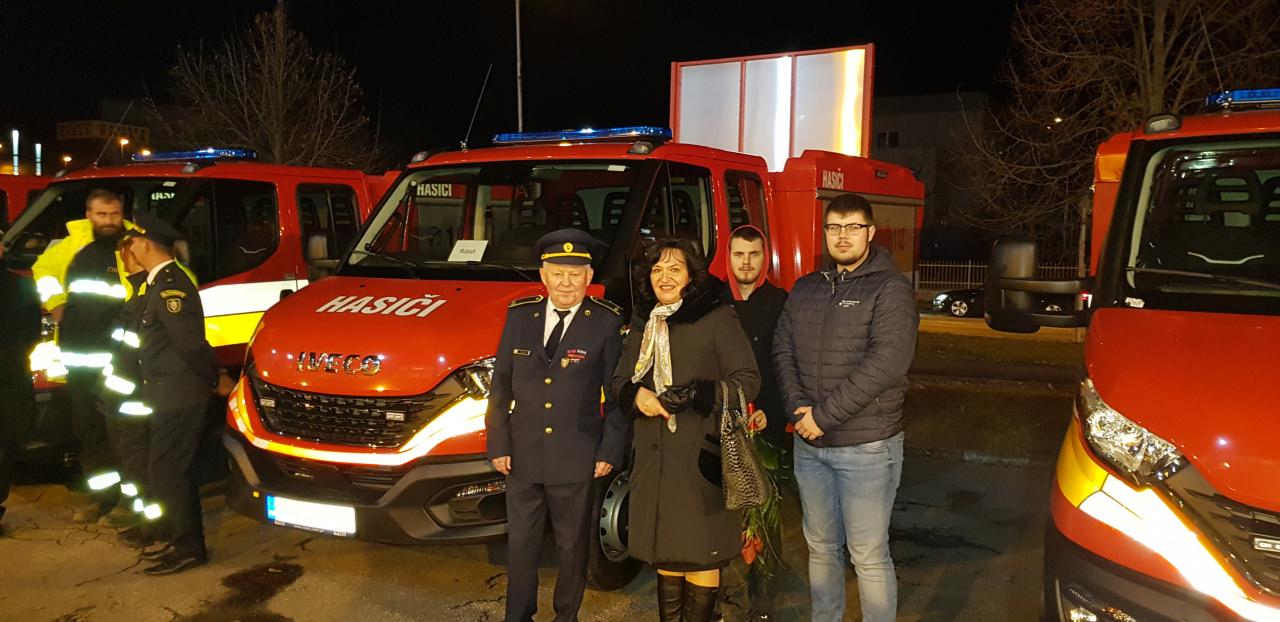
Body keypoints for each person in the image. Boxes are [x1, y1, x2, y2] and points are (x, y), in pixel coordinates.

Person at [772, 194, 919, 622]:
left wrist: (822, 417)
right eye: (834, 227)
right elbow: (783, 348)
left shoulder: (889, 289)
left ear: (870, 232)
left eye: (853, 227)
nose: (842, 236)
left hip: (867, 447)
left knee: (868, 554)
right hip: (810, 444)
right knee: (820, 547)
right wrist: (798, 409)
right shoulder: (807, 287)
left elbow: (887, 363)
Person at [611, 239, 764, 622]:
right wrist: (635, 395)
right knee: (666, 554)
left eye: (674, 269)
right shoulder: (645, 320)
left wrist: (699, 393)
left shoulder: (715, 316)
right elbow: (619, 380)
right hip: (654, 461)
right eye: (657, 269)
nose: (664, 277)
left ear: (691, 276)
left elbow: (748, 380)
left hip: (698, 456)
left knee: (699, 554)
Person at [484, 229, 628, 622]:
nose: (566, 283)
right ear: (543, 275)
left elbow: (616, 394)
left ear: (589, 276)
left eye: (575, 274)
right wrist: (498, 442)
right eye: (558, 273)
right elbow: (500, 385)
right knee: (521, 545)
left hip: (576, 455)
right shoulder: (520, 316)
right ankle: (518, 615)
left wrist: (609, 449)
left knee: (571, 548)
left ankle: (567, 616)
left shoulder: (605, 322)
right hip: (522, 454)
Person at [31, 188, 137, 523]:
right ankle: (100, 499)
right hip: (78, 356)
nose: (109, 221)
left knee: (122, 433)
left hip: (119, 358)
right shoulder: (73, 245)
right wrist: (56, 302)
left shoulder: (135, 245)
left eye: (115, 214)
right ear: (89, 214)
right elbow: (43, 269)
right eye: (101, 214)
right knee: (88, 432)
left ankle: (129, 502)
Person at [119, 212, 216, 575]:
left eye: (134, 243)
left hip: (179, 395)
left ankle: (189, 548)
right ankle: (181, 542)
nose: (131, 249)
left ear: (145, 244)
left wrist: (214, 378)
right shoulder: (156, 283)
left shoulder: (171, 285)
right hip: (166, 393)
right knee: (167, 473)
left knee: (169, 474)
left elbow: (191, 344)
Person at [722, 225, 789, 621]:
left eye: (754, 254)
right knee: (717, 515)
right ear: (728, 258)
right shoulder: (715, 300)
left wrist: (771, 412)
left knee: (761, 517)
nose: (746, 262)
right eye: (738, 254)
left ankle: (762, 599)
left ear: (765, 258)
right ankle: (712, 591)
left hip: (762, 425)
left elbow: (784, 365)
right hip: (720, 423)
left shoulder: (779, 302)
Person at [0, 241, 43, 536]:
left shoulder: (22, 285)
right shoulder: (21, 285)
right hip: (11, 373)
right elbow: (31, 335)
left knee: (5, 444)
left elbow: (31, 334)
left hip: (10, 374)